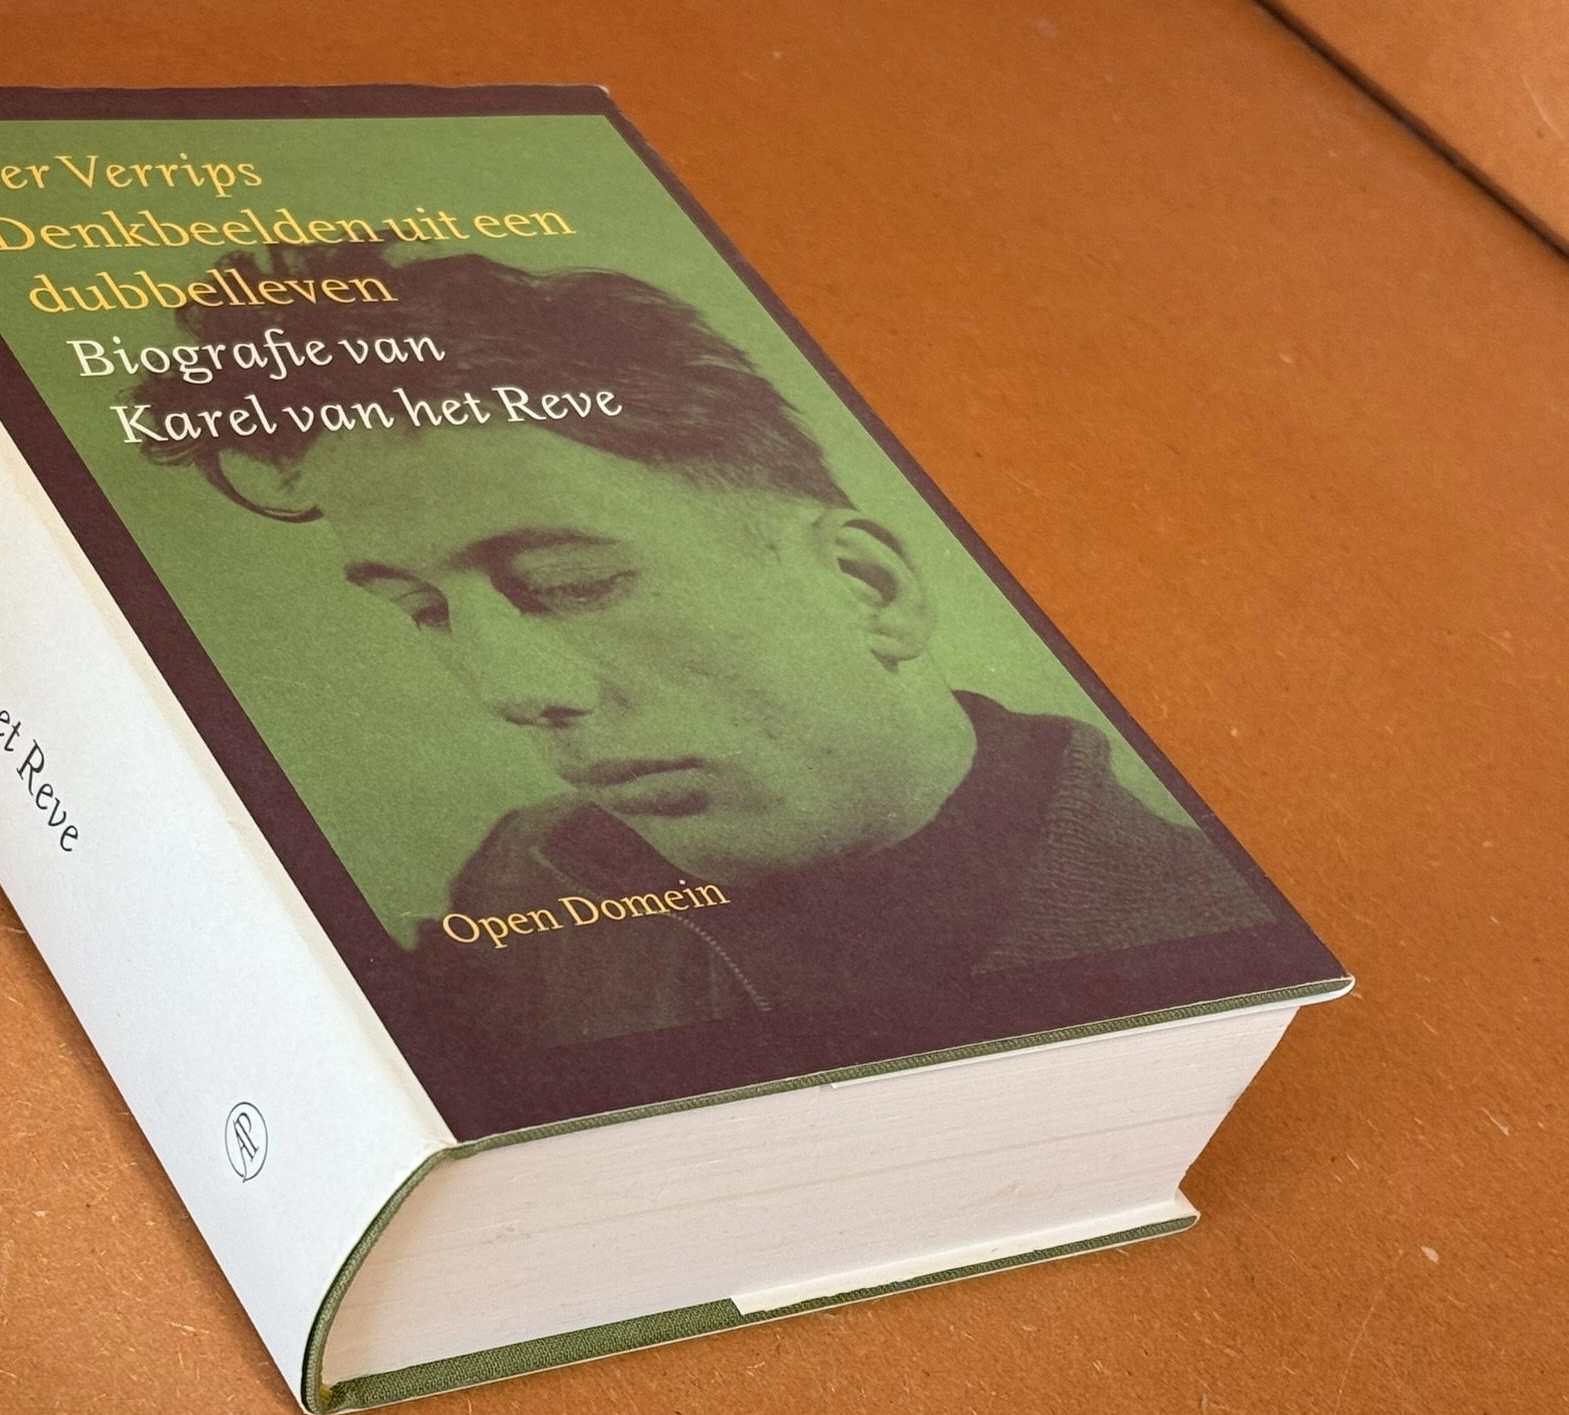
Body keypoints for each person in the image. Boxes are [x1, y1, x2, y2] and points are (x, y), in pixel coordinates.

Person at [133, 247, 1272, 1049]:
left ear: (867, 589)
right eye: (424, 610)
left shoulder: (1203, 937)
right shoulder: (526, 873)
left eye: (571, 583)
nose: (510, 689)